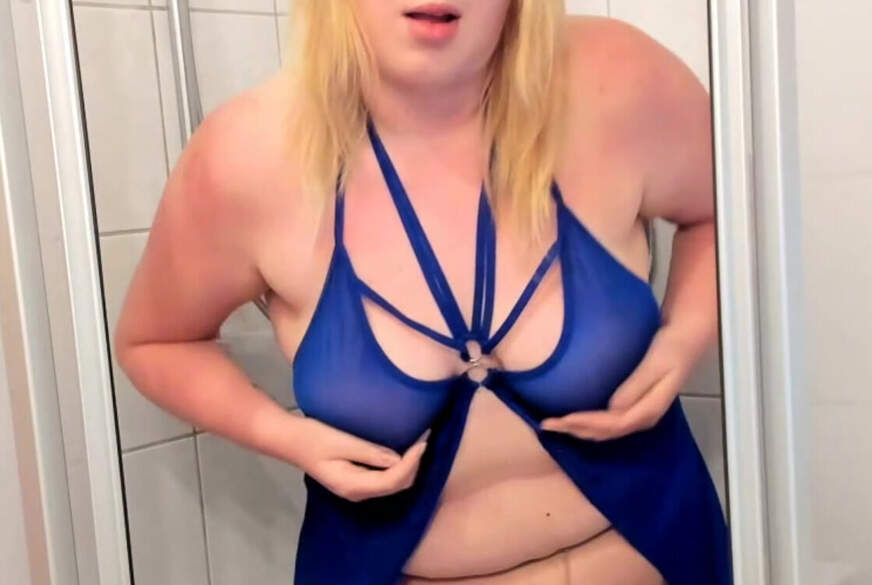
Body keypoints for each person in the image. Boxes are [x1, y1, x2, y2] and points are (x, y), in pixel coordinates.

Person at [114, 2, 731, 584]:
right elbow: (155, 342)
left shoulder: (615, 80)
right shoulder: (247, 157)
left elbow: (727, 207)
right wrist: (287, 436)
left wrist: (685, 336)